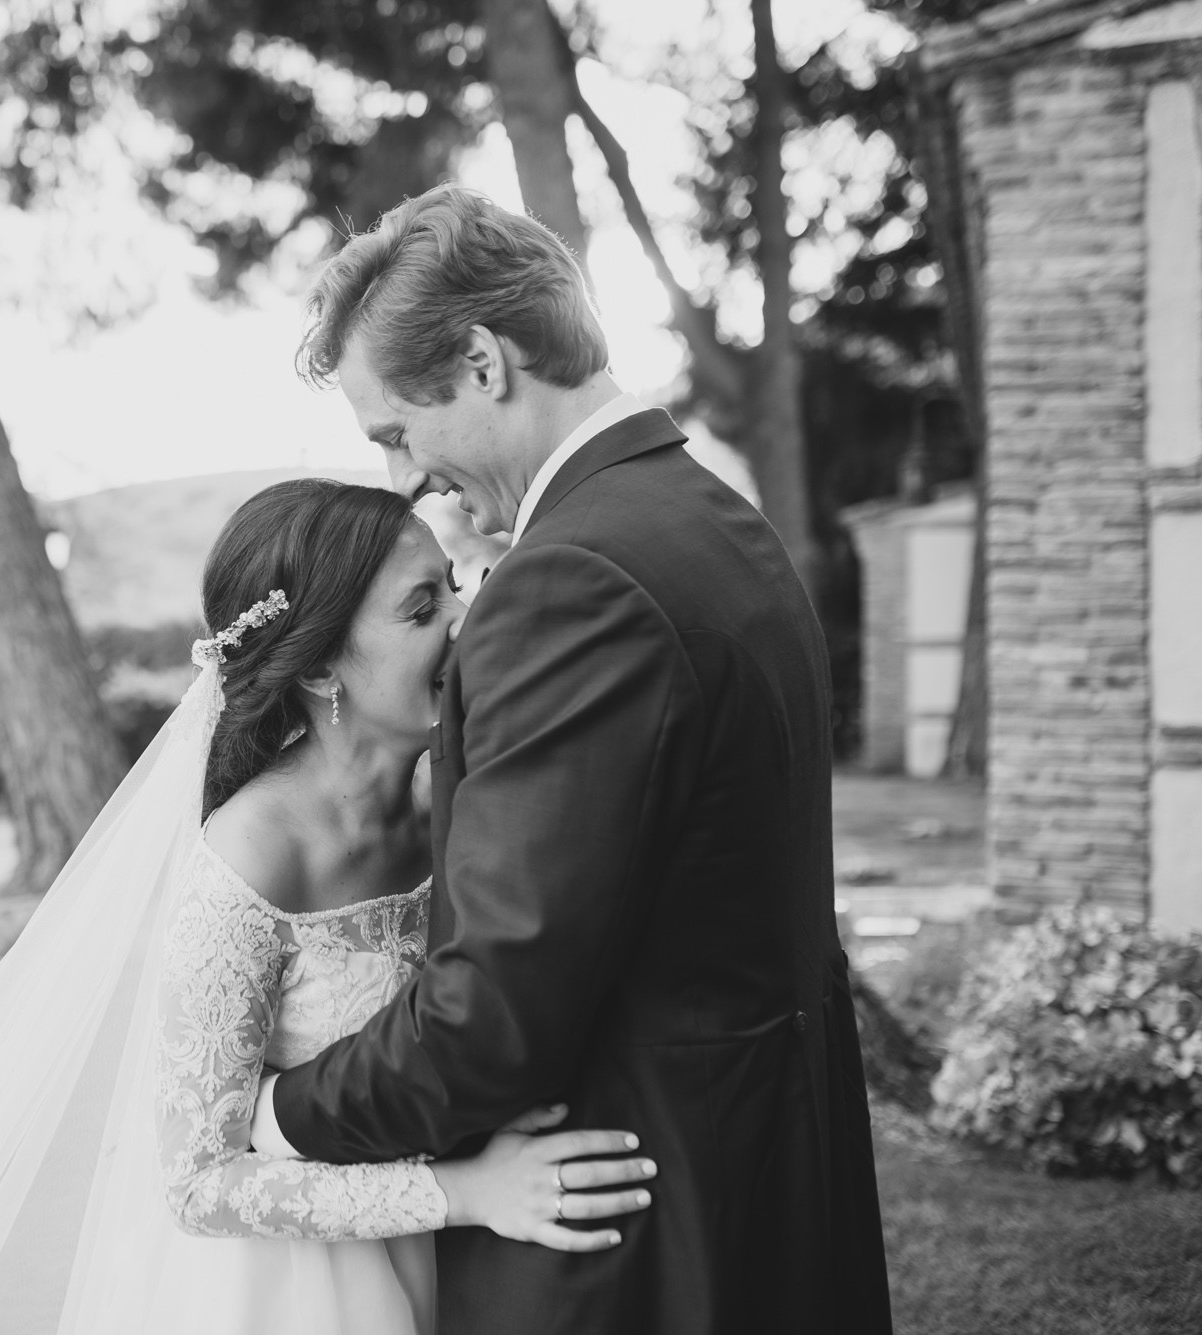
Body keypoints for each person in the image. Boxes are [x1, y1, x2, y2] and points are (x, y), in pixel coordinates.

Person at [0, 476, 652, 1335]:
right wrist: (465, 1191)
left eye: (455, 583)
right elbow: (199, 1180)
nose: (467, 617)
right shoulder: (249, 854)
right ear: (319, 668)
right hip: (294, 1289)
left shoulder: (457, 798)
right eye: (420, 606)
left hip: (455, 1250)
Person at [250, 184, 893, 1334]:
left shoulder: (568, 583)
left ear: (483, 362)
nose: (404, 478)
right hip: (765, 1172)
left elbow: (488, 1018)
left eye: (398, 430)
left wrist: (281, 1115)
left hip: (628, 1235)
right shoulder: (712, 519)